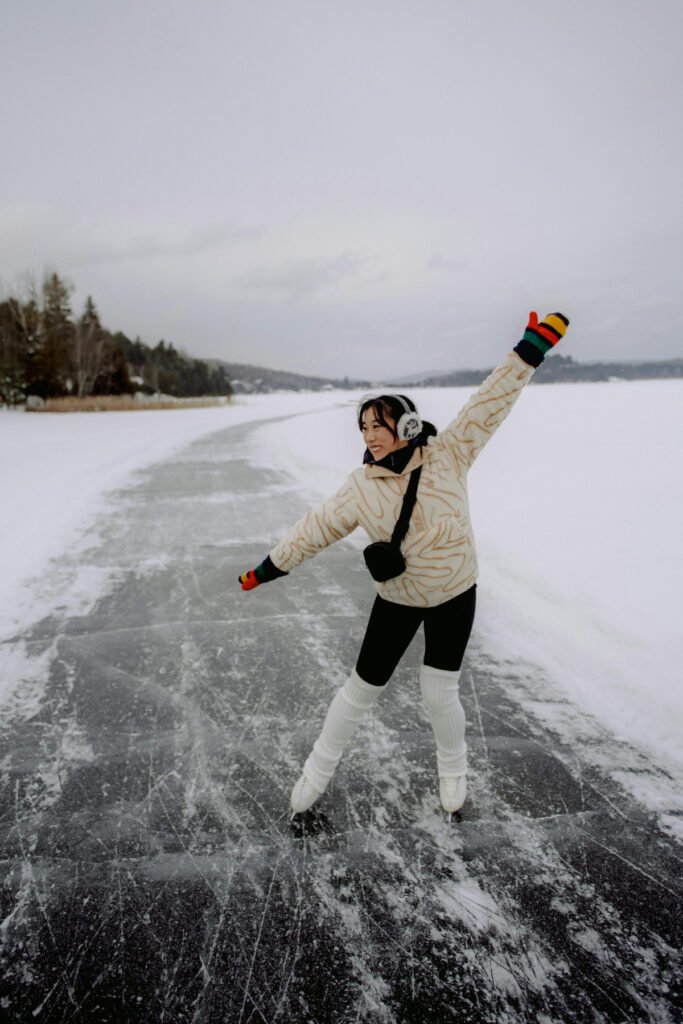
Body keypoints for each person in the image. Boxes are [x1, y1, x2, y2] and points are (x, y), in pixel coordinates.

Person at [239, 311, 570, 816]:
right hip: (397, 600)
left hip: (455, 593)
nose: (370, 434)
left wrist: (529, 350)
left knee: (440, 693)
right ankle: (315, 773)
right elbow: (315, 529)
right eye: (364, 426)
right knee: (359, 692)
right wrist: (267, 568)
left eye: (380, 424)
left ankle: (453, 774)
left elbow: (489, 404)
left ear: (408, 424)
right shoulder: (360, 487)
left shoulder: (450, 453)